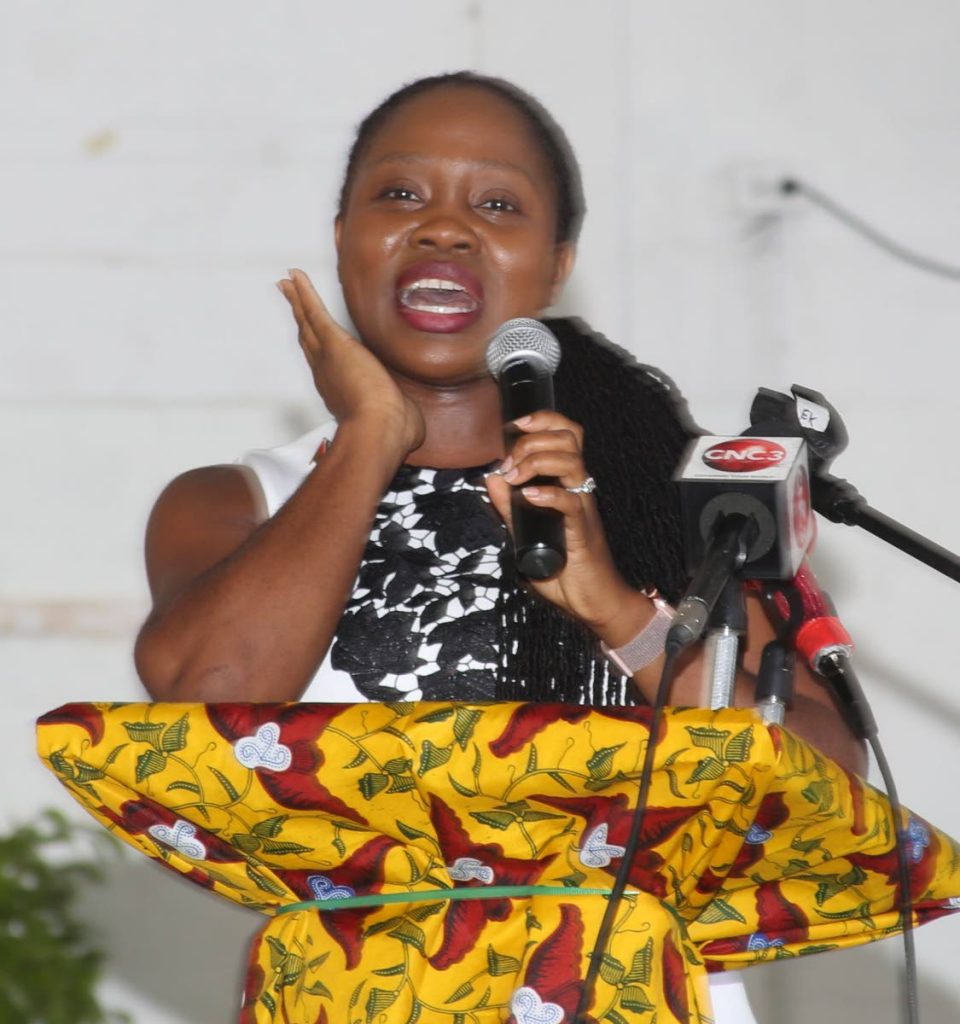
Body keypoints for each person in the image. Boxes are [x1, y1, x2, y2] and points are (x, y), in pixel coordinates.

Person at [134, 72, 866, 1022]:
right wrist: (369, 436)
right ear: (344, 234)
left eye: (496, 203)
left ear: (556, 265)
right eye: (400, 195)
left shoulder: (683, 507)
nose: (443, 227)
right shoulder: (234, 504)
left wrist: (617, 611)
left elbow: (829, 780)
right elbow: (203, 701)